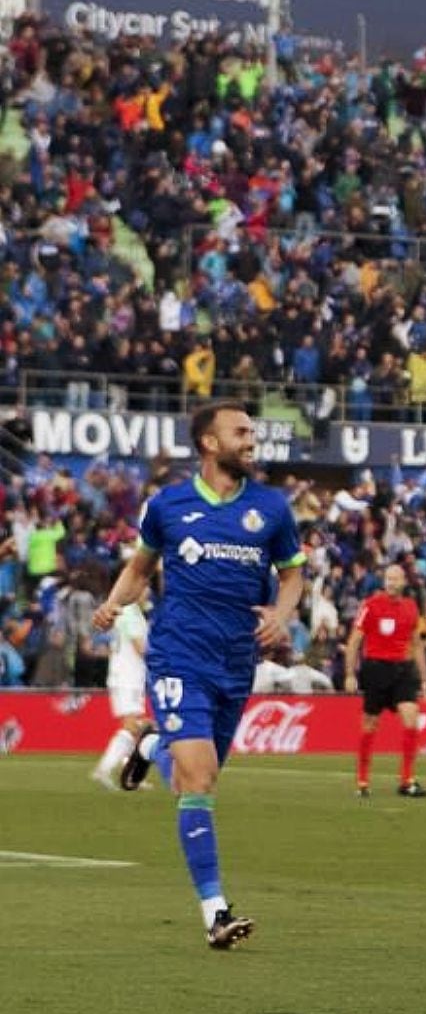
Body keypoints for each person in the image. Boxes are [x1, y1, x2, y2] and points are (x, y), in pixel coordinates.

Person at [93, 400, 306, 950]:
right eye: (241, 432)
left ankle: (150, 747)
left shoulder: (272, 509)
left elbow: (292, 578)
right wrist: (114, 605)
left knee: (194, 777)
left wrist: (281, 617)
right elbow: (141, 568)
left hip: (236, 663)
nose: (251, 441)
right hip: (178, 655)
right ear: (209, 443)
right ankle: (215, 911)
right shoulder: (169, 505)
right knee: (201, 778)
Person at [343, 563, 426, 798]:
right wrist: (350, 674)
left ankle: (407, 781)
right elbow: (354, 641)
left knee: (411, 718)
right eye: (388, 579)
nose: (391, 583)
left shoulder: (411, 608)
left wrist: (425, 680)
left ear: (404, 581)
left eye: (396, 579)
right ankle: (362, 782)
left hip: (403, 670)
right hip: (376, 669)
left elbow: (417, 645)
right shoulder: (371, 606)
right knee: (370, 724)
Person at [90, 594, 149, 790]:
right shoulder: (129, 612)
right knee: (132, 727)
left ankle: (130, 773)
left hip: (131, 677)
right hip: (127, 676)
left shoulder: (135, 612)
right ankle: (104, 770)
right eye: (145, 588)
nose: (148, 592)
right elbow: (140, 648)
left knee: (135, 728)